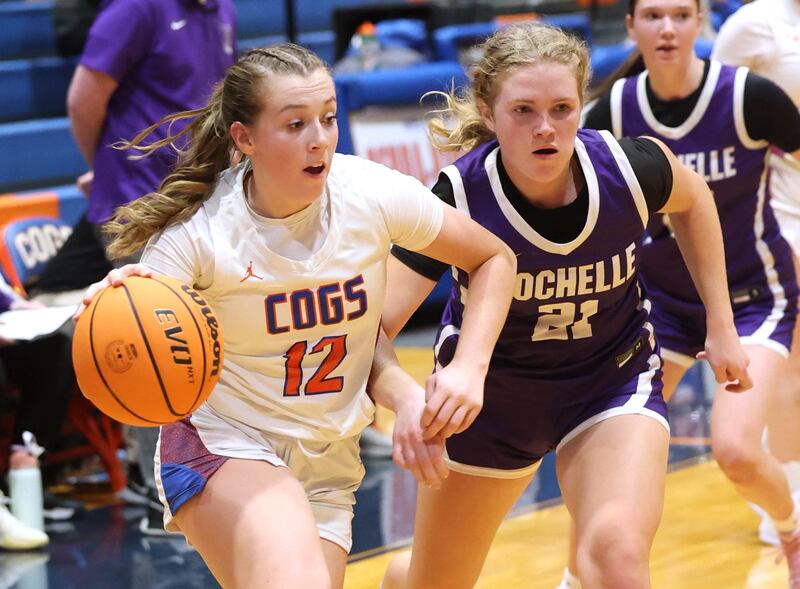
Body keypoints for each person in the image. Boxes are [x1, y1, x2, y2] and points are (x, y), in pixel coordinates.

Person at [74, 44, 516, 588]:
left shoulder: (370, 194)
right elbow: (139, 316)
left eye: (328, 118)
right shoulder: (202, 232)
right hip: (227, 442)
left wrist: (466, 369)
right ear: (245, 138)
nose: (319, 139)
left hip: (329, 462)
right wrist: (119, 301)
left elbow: (493, 258)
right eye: (295, 124)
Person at [379, 22, 750, 589]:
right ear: (488, 110)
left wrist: (720, 325)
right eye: (523, 111)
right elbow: (373, 328)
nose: (545, 129)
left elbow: (694, 198)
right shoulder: (458, 197)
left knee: (617, 552)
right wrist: (405, 399)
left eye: (562, 108)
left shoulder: (629, 169)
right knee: (433, 583)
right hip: (489, 405)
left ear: (582, 106)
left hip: (609, 381)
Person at [578, 0, 800, 585]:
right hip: (661, 306)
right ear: (631, 26)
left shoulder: (748, 96)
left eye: (681, 14)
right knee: (603, 453)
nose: (668, 29)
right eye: (653, 16)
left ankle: (792, 527)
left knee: (736, 450)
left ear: (700, 22)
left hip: (754, 295)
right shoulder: (617, 109)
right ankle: (578, 577)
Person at [45, 0, 238, 534]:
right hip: (135, 202)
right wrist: (104, 166)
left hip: (199, 196)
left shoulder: (221, 9)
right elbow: (83, 99)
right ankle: (155, 481)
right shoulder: (135, 8)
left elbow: (224, 105)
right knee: (152, 337)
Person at [712, 0, 800, 546]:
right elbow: (714, 108)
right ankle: (786, 497)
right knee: (793, 359)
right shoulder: (756, 24)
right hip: (780, 208)